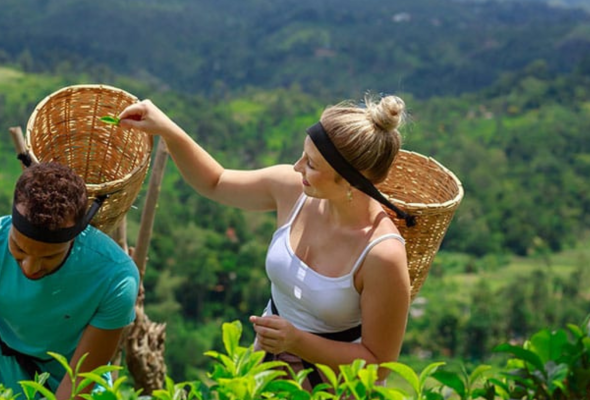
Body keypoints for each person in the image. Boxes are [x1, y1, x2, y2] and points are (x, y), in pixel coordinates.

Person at [117, 94, 412, 389]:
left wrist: (297, 342)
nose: (297, 168)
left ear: (350, 181)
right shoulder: (292, 190)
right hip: (264, 369)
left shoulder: (382, 254)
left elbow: (378, 365)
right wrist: (167, 129)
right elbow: (215, 182)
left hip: (332, 386)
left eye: (311, 164)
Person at [0, 162, 140, 399]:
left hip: (77, 382)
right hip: (2, 381)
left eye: (49, 257)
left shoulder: (114, 277)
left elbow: (79, 383)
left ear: (74, 240)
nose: (30, 267)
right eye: (18, 249)